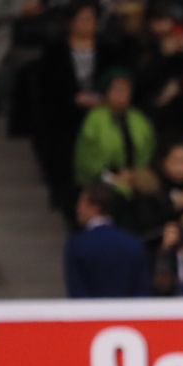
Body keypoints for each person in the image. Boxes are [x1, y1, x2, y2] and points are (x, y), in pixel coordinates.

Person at [73, 71, 158, 199]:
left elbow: (149, 149)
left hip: (136, 176)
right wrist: (113, 177)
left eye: (126, 90)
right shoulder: (95, 119)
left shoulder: (139, 119)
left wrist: (136, 173)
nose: (122, 94)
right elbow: (87, 161)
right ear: (107, 92)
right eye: (117, 90)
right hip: (103, 180)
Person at [64, 182, 153, 296]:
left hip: (92, 313)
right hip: (129, 312)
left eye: (81, 204)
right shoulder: (133, 243)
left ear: (95, 207)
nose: (78, 210)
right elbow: (143, 291)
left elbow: (77, 293)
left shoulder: (77, 245)